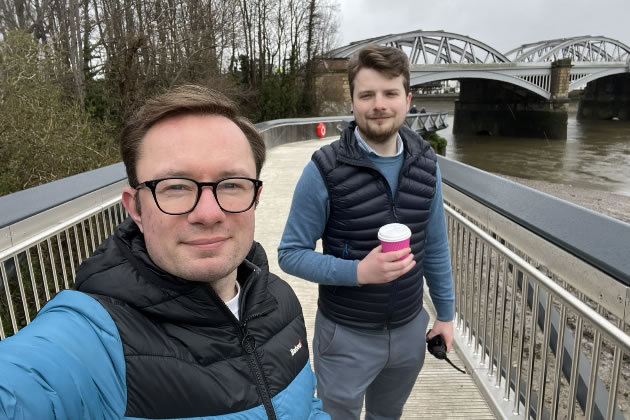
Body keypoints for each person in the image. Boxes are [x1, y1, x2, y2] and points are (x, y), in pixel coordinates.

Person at [0, 85, 329, 420]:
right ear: (136, 209)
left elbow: (306, 406)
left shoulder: (278, 300)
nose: (209, 213)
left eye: (231, 185)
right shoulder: (94, 341)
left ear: (256, 197)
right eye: (175, 187)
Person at [278, 45, 455, 420]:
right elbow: (290, 253)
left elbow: (435, 245)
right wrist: (358, 272)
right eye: (367, 94)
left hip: (410, 330)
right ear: (353, 101)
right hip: (346, 335)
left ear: (407, 100)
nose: (379, 104)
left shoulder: (427, 163)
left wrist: (445, 314)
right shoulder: (324, 169)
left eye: (390, 93)